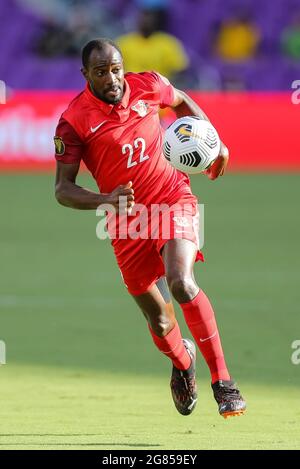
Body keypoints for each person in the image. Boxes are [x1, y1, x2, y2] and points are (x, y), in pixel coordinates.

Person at [54, 38, 246, 418]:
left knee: (181, 282)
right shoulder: (75, 121)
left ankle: (223, 382)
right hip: (126, 221)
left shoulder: (148, 85)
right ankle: (183, 363)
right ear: (85, 75)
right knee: (160, 321)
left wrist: (214, 140)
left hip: (172, 199)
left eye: (116, 68)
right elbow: (63, 189)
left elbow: (180, 100)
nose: (111, 78)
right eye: (100, 72)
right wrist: (104, 200)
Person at [116, 9, 188, 84]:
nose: (146, 22)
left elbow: (180, 68)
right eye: (143, 19)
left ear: (155, 22)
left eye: (149, 19)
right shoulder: (124, 43)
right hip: (131, 86)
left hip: (159, 87)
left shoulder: (167, 43)